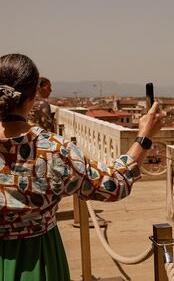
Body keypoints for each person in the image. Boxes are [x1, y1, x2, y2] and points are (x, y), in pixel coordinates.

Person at [0, 53, 162, 281]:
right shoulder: (53, 150)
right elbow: (113, 185)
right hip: (38, 259)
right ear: (33, 95)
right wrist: (144, 137)